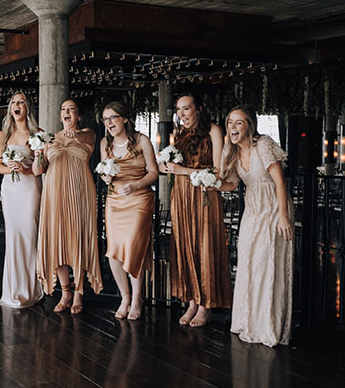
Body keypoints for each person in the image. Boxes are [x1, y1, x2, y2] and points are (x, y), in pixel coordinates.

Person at [219, 106, 293, 347]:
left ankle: (267, 326)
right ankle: (248, 321)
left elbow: (279, 182)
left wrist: (283, 216)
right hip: (252, 210)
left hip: (273, 207)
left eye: (238, 123)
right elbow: (229, 184)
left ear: (249, 125)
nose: (232, 127)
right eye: (230, 122)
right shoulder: (232, 152)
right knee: (249, 261)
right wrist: (209, 185)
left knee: (266, 262)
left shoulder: (263, 145)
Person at [158, 92, 231, 327]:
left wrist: (183, 171)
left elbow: (217, 173)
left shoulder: (214, 131)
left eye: (186, 109)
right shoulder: (179, 134)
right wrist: (166, 166)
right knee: (184, 245)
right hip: (180, 195)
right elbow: (176, 167)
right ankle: (191, 300)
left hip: (204, 195)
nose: (181, 115)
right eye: (178, 110)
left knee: (205, 245)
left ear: (198, 109)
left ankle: (205, 304)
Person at [34, 98, 102, 314]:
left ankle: (79, 293)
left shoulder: (88, 133)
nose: (67, 112)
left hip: (80, 193)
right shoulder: (49, 138)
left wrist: (77, 134)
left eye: (71, 109)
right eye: (63, 109)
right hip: (54, 195)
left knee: (78, 239)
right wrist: (37, 155)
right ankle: (65, 292)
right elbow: (38, 171)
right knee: (58, 242)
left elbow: (87, 138)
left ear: (78, 115)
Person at [99, 101, 158, 320]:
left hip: (139, 199)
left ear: (124, 119)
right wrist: (106, 177)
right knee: (114, 251)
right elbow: (105, 169)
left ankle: (137, 298)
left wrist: (136, 185)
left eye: (112, 118)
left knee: (134, 248)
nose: (109, 123)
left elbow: (153, 172)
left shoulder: (142, 140)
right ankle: (125, 296)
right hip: (115, 200)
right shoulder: (105, 142)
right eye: (105, 119)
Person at [0, 91, 44, 308]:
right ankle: (13, 290)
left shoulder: (38, 134)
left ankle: (32, 288)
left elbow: (41, 168)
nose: (17, 106)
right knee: (13, 237)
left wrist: (26, 170)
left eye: (21, 102)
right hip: (11, 190)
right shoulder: (3, 136)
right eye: (14, 102)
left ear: (27, 108)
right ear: (10, 108)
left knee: (29, 235)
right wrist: (10, 167)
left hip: (30, 188)